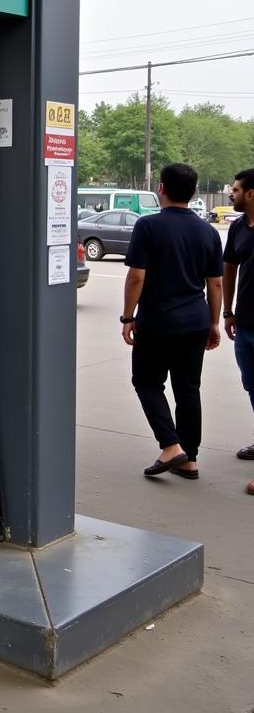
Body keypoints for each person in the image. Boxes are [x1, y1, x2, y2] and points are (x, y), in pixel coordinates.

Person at [121, 163, 222, 480]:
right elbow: (215, 283)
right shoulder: (208, 231)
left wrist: (127, 316)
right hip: (195, 321)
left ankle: (170, 446)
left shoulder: (148, 226)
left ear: (161, 188)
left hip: (158, 321)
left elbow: (137, 275)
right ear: (194, 193)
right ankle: (189, 460)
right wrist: (214, 323)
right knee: (188, 389)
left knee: (147, 383)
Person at [221, 168, 254, 496]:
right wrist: (227, 311)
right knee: (253, 387)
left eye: (236, 189)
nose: (231, 194)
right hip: (245, 323)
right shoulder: (238, 228)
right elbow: (228, 268)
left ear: (252, 193)